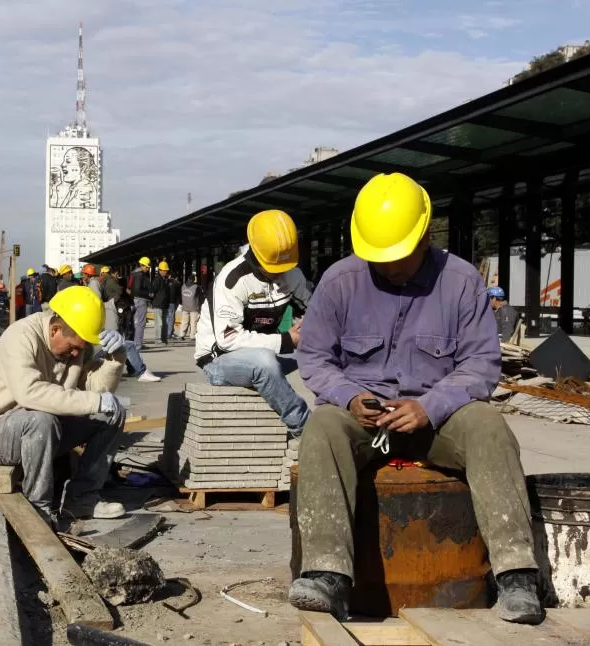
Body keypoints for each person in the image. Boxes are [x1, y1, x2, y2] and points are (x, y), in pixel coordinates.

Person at [291, 172, 543, 625]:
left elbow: (481, 364)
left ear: (426, 234)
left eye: (399, 256)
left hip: (439, 418)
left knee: (488, 425)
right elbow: (314, 357)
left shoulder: (463, 282)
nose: (389, 267)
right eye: (379, 258)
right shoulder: (340, 282)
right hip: (365, 420)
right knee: (322, 428)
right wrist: (349, 398)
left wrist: (430, 406)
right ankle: (327, 574)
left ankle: (517, 575)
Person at [0, 286, 129, 525]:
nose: (76, 353)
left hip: (45, 429)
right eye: (73, 347)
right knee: (41, 419)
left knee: (112, 413)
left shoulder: (74, 345)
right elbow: (29, 394)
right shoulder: (21, 337)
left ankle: (82, 498)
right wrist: (94, 401)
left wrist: (116, 359)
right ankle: (38, 508)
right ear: (55, 330)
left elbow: (96, 391)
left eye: (80, 349)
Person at [195, 210, 313, 434]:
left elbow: (316, 308)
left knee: (329, 348)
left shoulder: (291, 273)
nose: (280, 274)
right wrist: (288, 340)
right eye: (273, 269)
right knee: (263, 362)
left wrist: (313, 328)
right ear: (256, 257)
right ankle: (304, 427)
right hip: (219, 360)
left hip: (267, 352)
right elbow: (228, 340)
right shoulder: (232, 280)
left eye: (284, 268)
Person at [128, 257, 153, 350]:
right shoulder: (140, 275)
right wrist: (149, 294)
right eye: (146, 266)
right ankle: (138, 344)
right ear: (142, 265)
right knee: (141, 323)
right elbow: (138, 290)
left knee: (134, 322)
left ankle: (134, 342)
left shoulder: (133, 274)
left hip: (134, 299)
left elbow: (129, 287)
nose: (148, 268)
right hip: (141, 300)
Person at [151, 261, 171, 345]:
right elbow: (152, 291)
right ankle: (158, 339)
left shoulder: (165, 280)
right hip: (158, 304)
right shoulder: (157, 280)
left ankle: (163, 339)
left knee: (165, 323)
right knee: (159, 323)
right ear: (160, 270)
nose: (166, 272)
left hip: (164, 305)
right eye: (164, 270)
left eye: (166, 270)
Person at [179, 273, 203, 341]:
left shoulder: (183, 286)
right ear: (194, 280)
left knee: (184, 321)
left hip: (185, 307)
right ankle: (192, 336)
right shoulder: (196, 287)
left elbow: (181, 296)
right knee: (193, 322)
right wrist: (200, 305)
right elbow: (201, 297)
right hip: (194, 307)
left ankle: (181, 335)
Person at [99, 266, 122, 331]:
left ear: (103, 273)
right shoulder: (105, 281)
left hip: (111, 305)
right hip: (108, 304)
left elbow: (120, 290)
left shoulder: (110, 281)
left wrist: (113, 301)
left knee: (112, 324)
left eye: (102, 274)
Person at [166, 270, 182, 341]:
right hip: (173, 302)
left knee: (166, 317)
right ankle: (169, 333)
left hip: (166, 302)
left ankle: (167, 332)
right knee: (171, 318)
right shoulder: (177, 283)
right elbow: (179, 294)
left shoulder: (166, 282)